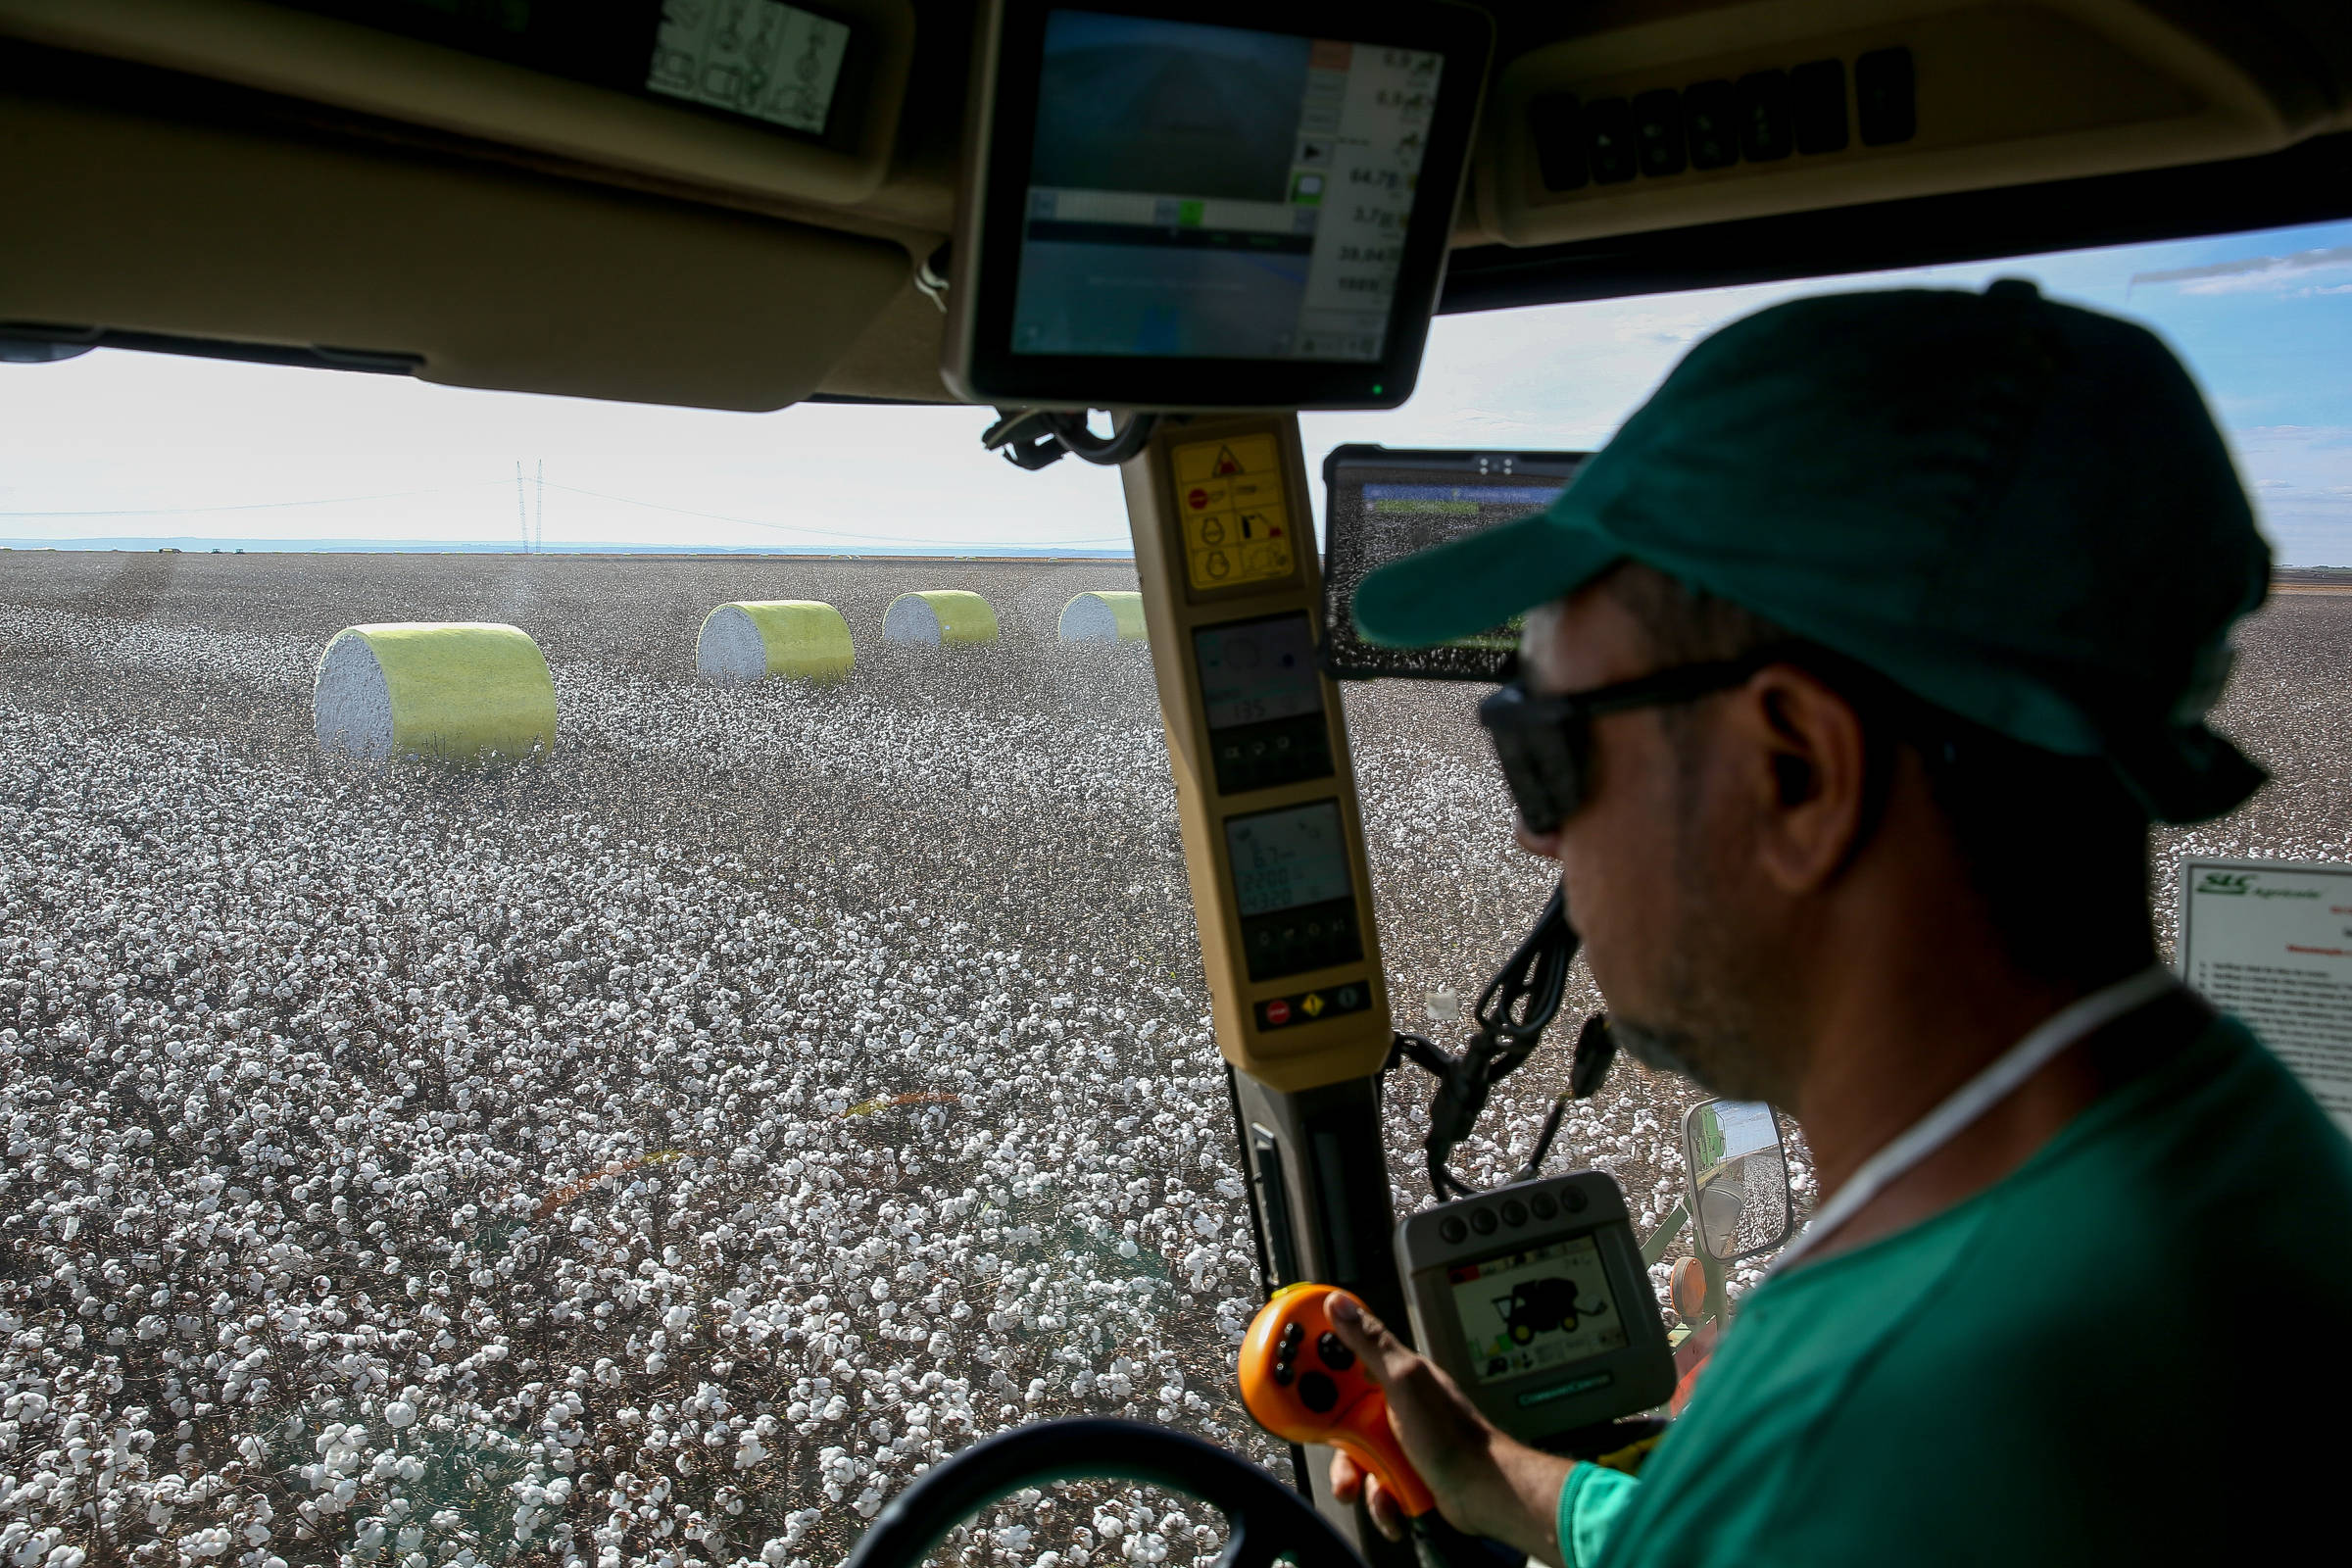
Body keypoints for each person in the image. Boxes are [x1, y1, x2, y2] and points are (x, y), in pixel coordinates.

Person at [1327, 281, 2352, 1566]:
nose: (1540, 836)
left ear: (1795, 771)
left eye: (1544, 753)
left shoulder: (1886, 1427)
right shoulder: (2222, 1163)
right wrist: (1509, 1483)